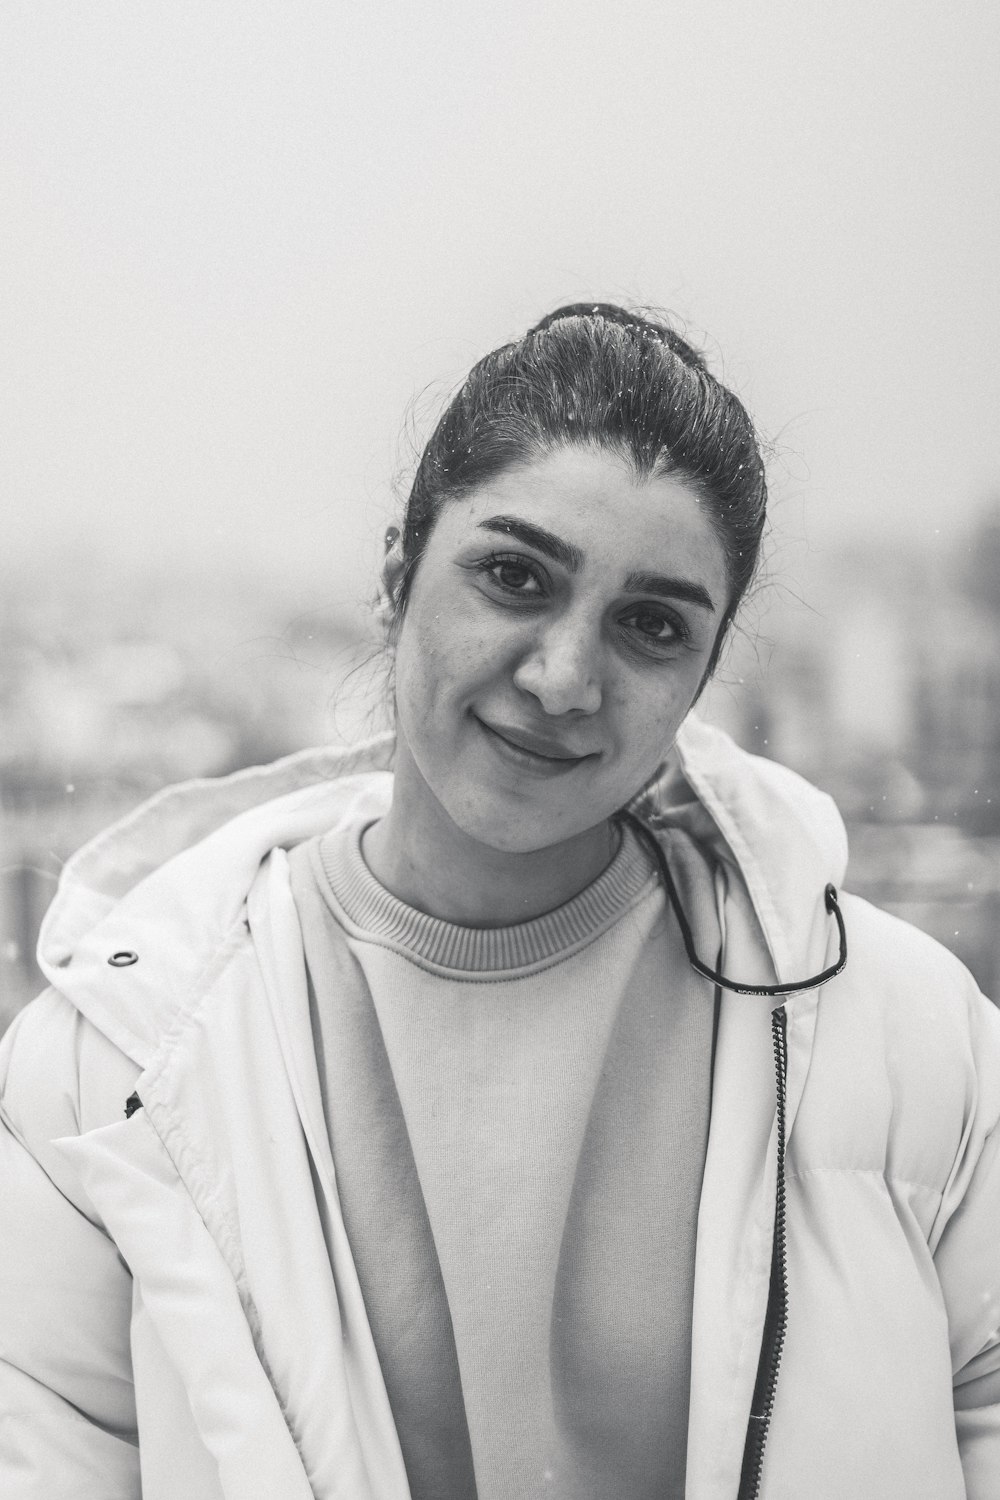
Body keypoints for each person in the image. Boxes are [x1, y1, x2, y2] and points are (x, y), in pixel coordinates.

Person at [1, 304, 998, 1500]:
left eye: (650, 626)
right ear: (395, 578)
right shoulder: (105, 1062)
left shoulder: (903, 1038)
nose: (564, 677)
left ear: (703, 673)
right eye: (513, 577)